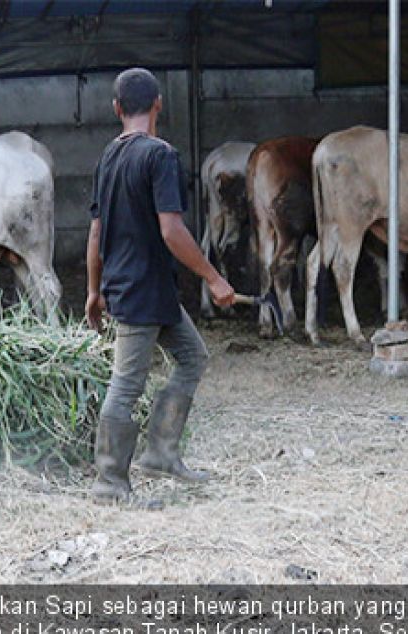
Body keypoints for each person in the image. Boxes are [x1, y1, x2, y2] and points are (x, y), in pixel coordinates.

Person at [86, 67, 236, 502]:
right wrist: (213, 277)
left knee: (192, 357)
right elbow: (172, 230)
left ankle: (161, 454)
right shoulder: (161, 155)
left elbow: (96, 233)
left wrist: (94, 290)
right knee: (126, 386)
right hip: (140, 292)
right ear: (158, 104)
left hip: (146, 290)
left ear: (116, 109)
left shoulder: (107, 157)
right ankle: (110, 481)